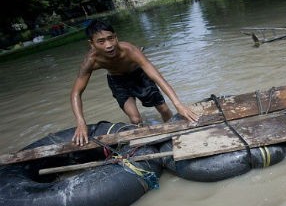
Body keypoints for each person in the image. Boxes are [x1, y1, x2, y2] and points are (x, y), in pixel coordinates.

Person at [71, 19, 199, 146]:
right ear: (92, 44)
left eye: (111, 38)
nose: (109, 45)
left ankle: (174, 135)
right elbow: (76, 92)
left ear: (116, 37)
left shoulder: (130, 51)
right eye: (101, 41)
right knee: (135, 119)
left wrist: (178, 104)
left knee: (164, 109)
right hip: (117, 81)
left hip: (139, 76)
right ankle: (145, 145)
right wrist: (81, 122)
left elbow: (157, 77)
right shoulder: (91, 61)